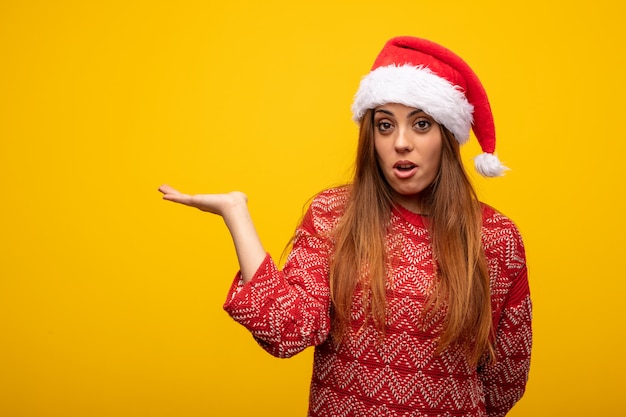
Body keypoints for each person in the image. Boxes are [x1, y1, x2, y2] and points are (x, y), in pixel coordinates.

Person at [159, 36, 532, 417]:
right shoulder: (334, 215)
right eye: (385, 125)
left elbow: (506, 377)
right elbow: (287, 329)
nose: (401, 143)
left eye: (421, 124)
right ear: (370, 137)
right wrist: (236, 214)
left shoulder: (496, 236)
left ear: (447, 136)